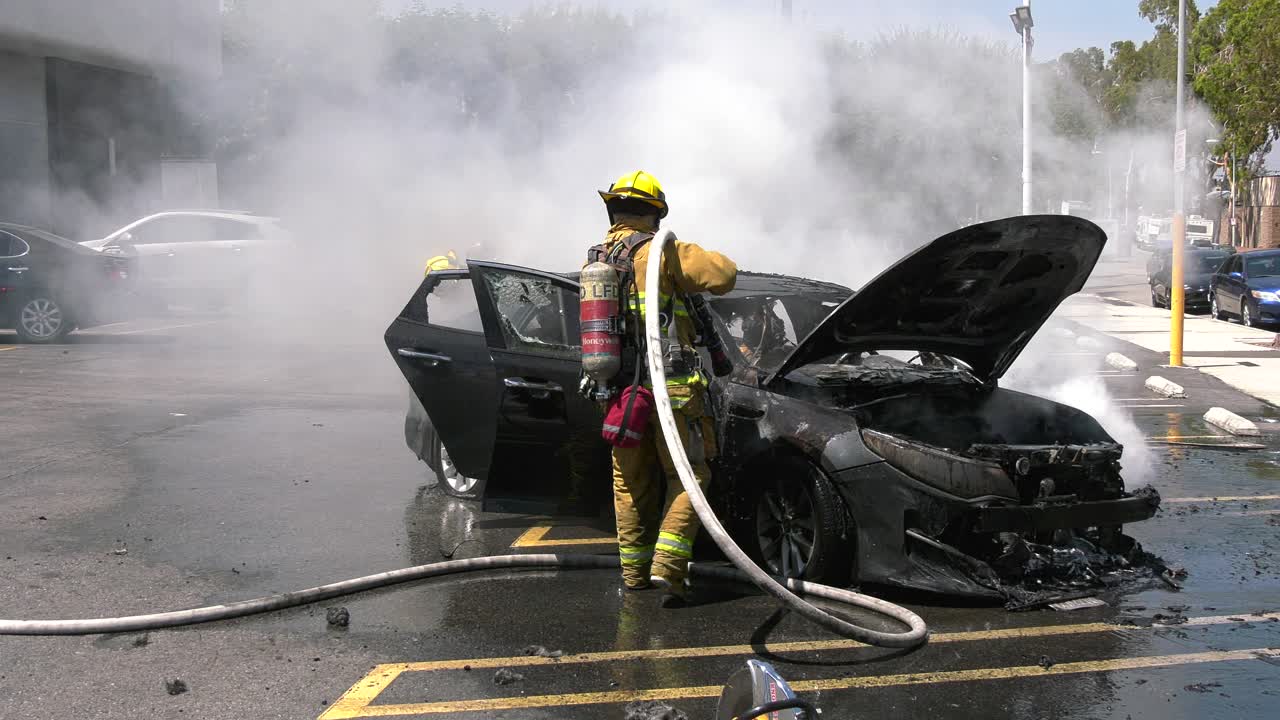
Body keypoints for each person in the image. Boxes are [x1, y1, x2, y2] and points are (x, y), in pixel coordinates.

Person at [591, 170, 737, 606]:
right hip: (673, 391)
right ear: (656, 214)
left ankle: (634, 575)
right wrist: (676, 250)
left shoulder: (597, 260)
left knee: (630, 485)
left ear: (612, 209)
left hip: (620, 394)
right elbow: (724, 275)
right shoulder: (660, 252)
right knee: (691, 476)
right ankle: (668, 567)